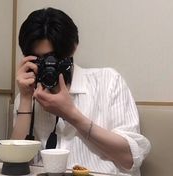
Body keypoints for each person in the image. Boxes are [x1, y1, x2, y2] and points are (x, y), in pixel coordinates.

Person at [11, 7, 150, 176]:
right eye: (38, 60)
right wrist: (26, 98)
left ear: (72, 49)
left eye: (53, 58)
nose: (48, 66)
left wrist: (71, 114)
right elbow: (15, 164)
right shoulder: (27, 95)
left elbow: (130, 158)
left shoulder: (108, 82)